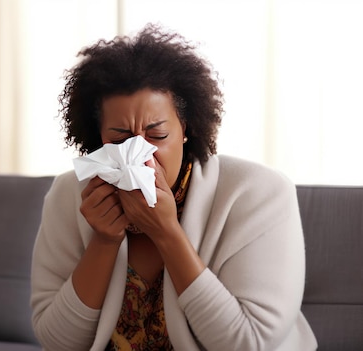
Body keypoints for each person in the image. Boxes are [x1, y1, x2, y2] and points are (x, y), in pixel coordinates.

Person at [30, 23, 317, 351]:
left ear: (185, 129)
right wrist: (104, 240)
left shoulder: (258, 193)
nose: (140, 155)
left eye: (157, 135)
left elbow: (248, 343)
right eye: (121, 139)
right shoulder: (71, 195)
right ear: (98, 141)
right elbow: (57, 342)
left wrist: (166, 232)